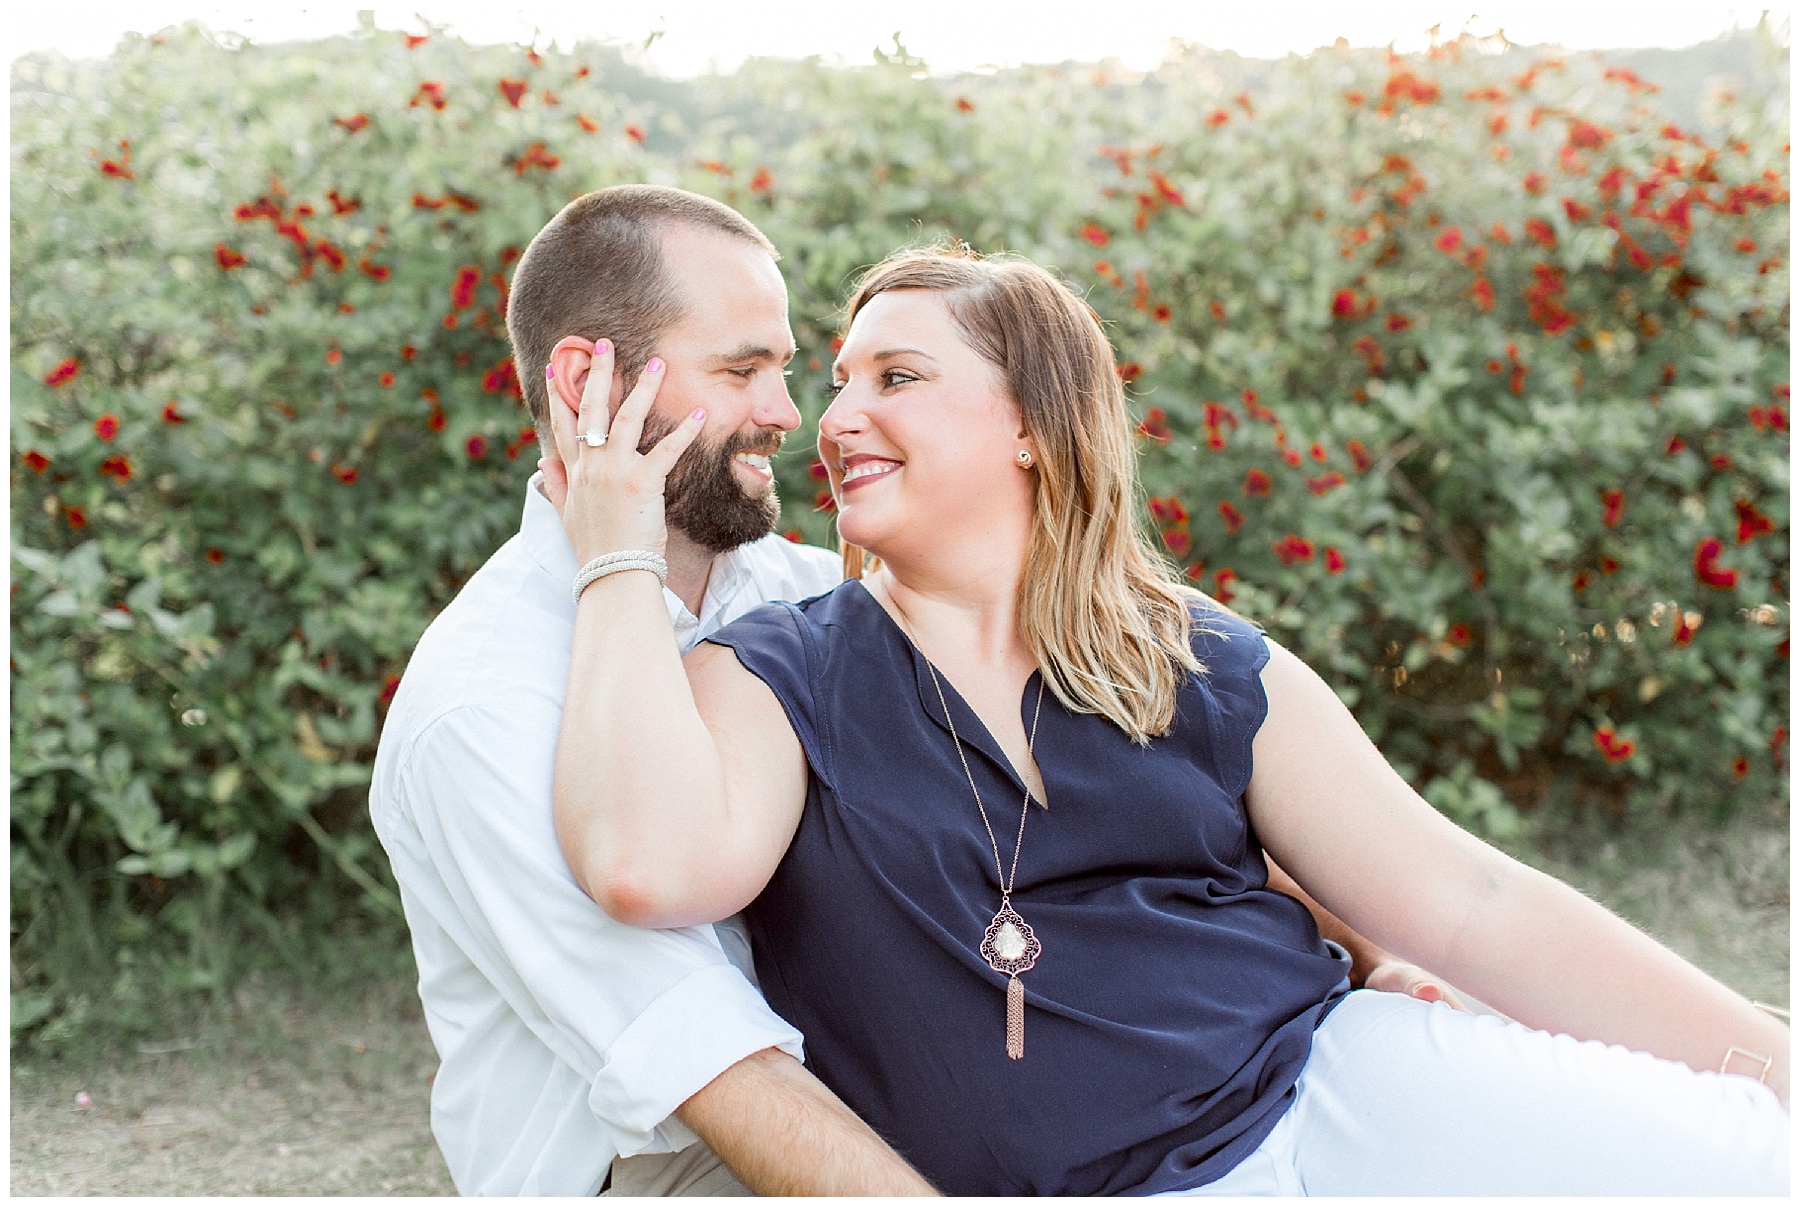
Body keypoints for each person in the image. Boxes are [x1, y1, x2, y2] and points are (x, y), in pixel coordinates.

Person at [544, 244, 1790, 1196]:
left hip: (1343, 1092)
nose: (835, 414)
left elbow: (1469, 902)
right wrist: (615, 560)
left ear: (1031, 424)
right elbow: (649, 868)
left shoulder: (1185, 649)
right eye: (839, 382)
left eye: (899, 377)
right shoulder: (773, 672)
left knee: (1754, 1156)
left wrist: (1769, 1057)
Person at [374, 186, 1455, 1195]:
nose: (792, 414)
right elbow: (704, 1059)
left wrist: (1367, 945)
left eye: (794, 369)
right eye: (743, 370)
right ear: (586, 385)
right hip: (676, 1169)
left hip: (895, 1120)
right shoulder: (488, 705)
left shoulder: (806, 597)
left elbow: (1126, 784)